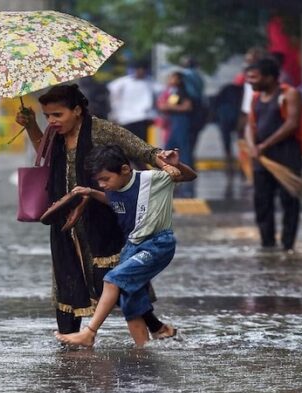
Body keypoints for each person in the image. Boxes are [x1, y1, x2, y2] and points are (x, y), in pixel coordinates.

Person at [15, 84, 180, 338]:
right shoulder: (53, 133)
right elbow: (45, 155)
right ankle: (69, 340)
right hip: (66, 218)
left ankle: (152, 332)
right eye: (47, 115)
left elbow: (139, 148)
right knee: (66, 275)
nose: (51, 121)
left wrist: (162, 158)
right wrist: (31, 126)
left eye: (57, 115)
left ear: (77, 110)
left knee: (117, 278)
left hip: (100, 215)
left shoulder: (100, 130)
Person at [54, 144, 197, 347]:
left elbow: (190, 176)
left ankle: (89, 332)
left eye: (105, 179)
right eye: (99, 181)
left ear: (124, 169)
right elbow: (115, 202)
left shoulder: (152, 179)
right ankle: (143, 350)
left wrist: (177, 165)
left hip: (157, 244)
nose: (103, 184)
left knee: (112, 280)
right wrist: (92, 192)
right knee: (130, 301)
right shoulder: (113, 187)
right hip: (132, 246)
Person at [245, 58, 302, 252]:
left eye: (254, 77)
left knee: (289, 201)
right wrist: (252, 145)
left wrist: (264, 145)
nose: (250, 82)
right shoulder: (256, 98)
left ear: (270, 77)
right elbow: (250, 124)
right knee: (262, 201)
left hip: (286, 156)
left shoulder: (289, 94)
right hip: (262, 159)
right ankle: (267, 243)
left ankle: (288, 244)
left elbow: (292, 123)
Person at [157, 71, 194, 198]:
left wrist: (169, 107)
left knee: (183, 148)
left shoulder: (182, 92)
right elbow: (163, 106)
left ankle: (186, 173)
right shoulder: (172, 91)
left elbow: (187, 107)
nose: (170, 79)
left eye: (173, 77)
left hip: (182, 122)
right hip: (174, 123)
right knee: (170, 147)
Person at [107, 60, 158, 142]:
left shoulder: (150, 83)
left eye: (143, 69)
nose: (140, 71)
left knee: (143, 144)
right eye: (138, 69)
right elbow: (113, 98)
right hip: (126, 118)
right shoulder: (122, 82)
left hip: (144, 117)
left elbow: (160, 94)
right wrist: (114, 114)